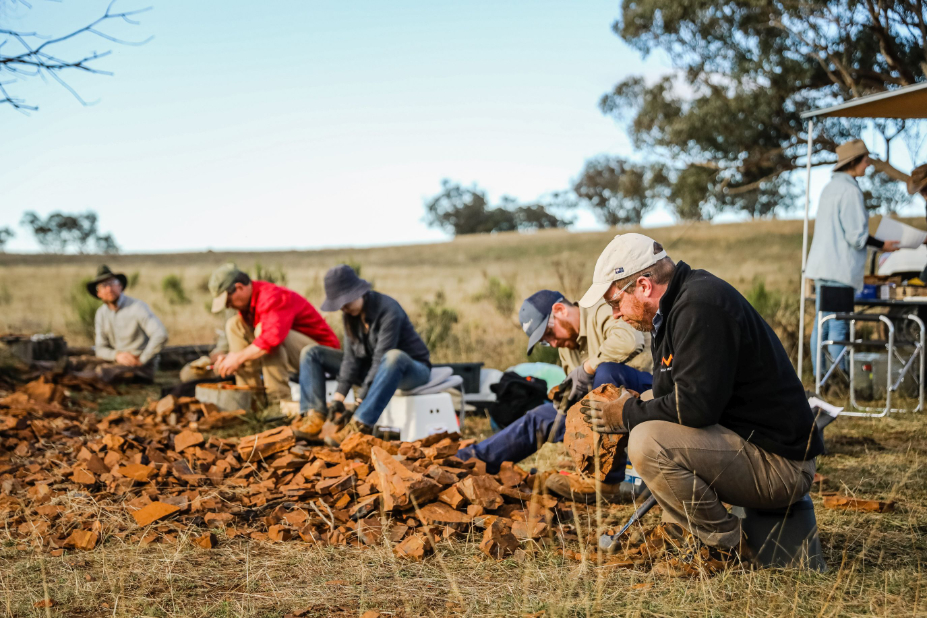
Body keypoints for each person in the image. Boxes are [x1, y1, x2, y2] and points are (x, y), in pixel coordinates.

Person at [577, 233, 824, 577]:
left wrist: (625, 413)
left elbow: (695, 409)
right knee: (647, 407)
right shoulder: (678, 305)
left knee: (647, 443)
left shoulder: (699, 305)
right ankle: (682, 531)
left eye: (614, 303)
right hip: (755, 443)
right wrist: (636, 406)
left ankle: (726, 546)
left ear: (644, 286)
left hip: (782, 466)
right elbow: (667, 394)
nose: (615, 315)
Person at [456, 287, 653, 503]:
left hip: (648, 396)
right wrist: (567, 398)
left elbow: (630, 343)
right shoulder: (566, 346)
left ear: (560, 310)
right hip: (605, 412)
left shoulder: (601, 310)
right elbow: (581, 395)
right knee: (541, 416)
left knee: (606, 371)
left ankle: (605, 481)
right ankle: (468, 460)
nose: (552, 343)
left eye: (549, 334)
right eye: (545, 341)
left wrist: (588, 368)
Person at [304, 264, 431, 445]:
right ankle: (315, 419)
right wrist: (338, 399)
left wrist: (358, 404)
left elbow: (382, 358)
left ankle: (360, 425)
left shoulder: (389, 310)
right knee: (312, 353)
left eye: (346, 303)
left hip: (410, 370)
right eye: (340, 306)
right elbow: (351, 359)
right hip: (375, 369)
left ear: (358, 292)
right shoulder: (350, 315)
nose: (344, 309)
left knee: (394, 357)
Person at [805, 139, 899, 375]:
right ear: (855, 162)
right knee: (838, 326)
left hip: (822, 268)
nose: (868, 164)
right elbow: (856, 235)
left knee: (822, 325)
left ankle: (821, 379)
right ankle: (841, 380)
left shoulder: (830, 188)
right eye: (865, 160)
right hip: (839, 269)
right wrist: (883, 245)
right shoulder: (850, 191)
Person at [207, 263, 340, 403]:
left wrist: (238, 358)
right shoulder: (248, 306)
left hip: (323, 359)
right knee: (234, 325)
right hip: (298, 356)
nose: (228, 306)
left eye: (228, 301)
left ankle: (279, 402)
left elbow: (270, 339)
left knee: (267, 335)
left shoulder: (272, 296)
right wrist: (230, 359)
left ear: (239, 287)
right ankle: (252, 400)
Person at [89, 265, 168, 383]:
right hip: (117, 361)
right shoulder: (101, 313)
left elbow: (160, 334)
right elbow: (100, 348)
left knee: (100, 372)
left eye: (112, 283)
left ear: (120, 286)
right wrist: (117, 355)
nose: (109, 289)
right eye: (104, 286)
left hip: (141, 365)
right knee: (78, 363)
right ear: (98, 293)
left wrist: (142, 359)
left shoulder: (137, 307)